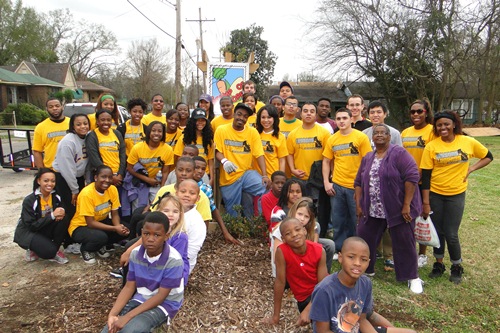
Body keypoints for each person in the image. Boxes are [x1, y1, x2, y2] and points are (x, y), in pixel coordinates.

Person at [420, 110, 493, 284]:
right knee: (438, 232)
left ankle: (456, 266)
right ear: (436, 128)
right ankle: (438, 264)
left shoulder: (467, 142)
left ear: (454, 124)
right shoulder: (432, 146)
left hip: (456, 194)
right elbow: (426, 177)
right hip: (436, 194)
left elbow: (488, 156)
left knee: (451, 233)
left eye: (446, 124)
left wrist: (471, 169)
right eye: (439, 125)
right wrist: (426, 202)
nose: (443, 127)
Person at [354, 124, 423, 294]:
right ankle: (366, 270)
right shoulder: (368, 157)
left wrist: (406, 205)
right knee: (365, 238)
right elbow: (357, 182)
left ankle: (411, 276)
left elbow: (412, 176)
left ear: (389, 136)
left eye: (382, 133)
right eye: (375, 133)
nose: (379, 135)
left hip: (397, 208)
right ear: (372, 138)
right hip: (373, 209)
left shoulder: (399, 153)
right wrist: (359, 204)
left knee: (404, 241)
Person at [310, 236, 417, 333]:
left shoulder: (365, 283)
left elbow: (362, 320)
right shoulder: (324, 290)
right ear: (340, 258)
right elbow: (322, 331)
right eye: (351, 257)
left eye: (363, 259)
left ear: (368, 262)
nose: (357, 263)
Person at [101, 211, 183, 333]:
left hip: (165, 304)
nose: (150, 239)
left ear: (166, 236)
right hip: (141, 298)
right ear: (141, 234)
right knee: (110, 329)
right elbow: (129, 287)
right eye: (146, 234)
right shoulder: (135, 254)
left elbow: (161, 296)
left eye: (157, 235)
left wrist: (127, 317)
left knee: (130, 330)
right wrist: (113, 314)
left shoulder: (174, 260)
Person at [322, 108, 372, 253]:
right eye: (338, 119)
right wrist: (327, 182)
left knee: (356, 220)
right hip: (337, 185)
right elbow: (326, 161)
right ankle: (339, 249)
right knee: (338, 220)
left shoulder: (360, 137)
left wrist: (363, 185)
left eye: (344, 118)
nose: (342, 121)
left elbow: (367, 161)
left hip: (356, 187)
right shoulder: (332, 139)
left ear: (351, 119)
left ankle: (356, 249)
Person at [263, 217, 328, 327]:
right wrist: (276, 316)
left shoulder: (319, 250)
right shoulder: (282, 252)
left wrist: (308, 310)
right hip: (305, 299)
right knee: (326, 323)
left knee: (357, 312)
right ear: (283, 239)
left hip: (324, 293)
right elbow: (280, 282)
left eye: (297, 230)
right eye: (288, 233)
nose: (294, 234)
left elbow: (323, 286)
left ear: (304, 231)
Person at [214, 103, 270, 217]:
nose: (241, 118)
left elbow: (259, 154)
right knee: (233, 214)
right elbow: (216, 151)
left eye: (245, 116)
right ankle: (235, 232)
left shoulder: (252, 132)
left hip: (246, 174)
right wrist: (225, 161)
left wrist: (264, 175)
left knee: (266, 189)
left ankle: (259, 222)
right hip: (229, 178)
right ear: (234, 114)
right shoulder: (221, 130)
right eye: (239, 114)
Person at [69, 165, 130, 264]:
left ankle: (99, 245)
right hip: (80, 226)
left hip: (100, 221)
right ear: (96, 177)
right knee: (101, 237)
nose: (107, 180)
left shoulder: (113, 189)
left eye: (110, 177)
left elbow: (114, 214)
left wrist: (118, 226)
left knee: (126, 228)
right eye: (103, 177)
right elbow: (90, 223)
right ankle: (86, 249)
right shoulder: (87, 194)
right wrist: (115, 228)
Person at [401, 98, 435, 268]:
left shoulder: (432, 132)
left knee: (422, 215)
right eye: (412, 111)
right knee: (406, 217)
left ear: (426, 112)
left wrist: (417, 175)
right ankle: (407, 250)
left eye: (419, 111)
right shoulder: (405, 133)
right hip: (405, 181)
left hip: (423, 181)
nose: (415, 114)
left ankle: (422, 254)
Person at [52, 113, 90, 255]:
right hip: (64, 178)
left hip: (77, 178)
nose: (82, 126)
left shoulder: (88, 138)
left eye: (85, 123)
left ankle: (74, 238)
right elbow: (67, 168)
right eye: (78, 124)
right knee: (69, 209)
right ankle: (67, 242)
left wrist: (85, 182)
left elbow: (86, 163)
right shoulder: (68, 142)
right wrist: (74, 190)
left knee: (78, 209)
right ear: (72, 127)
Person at [14, 168, 69, 264]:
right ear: (39, 181)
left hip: (44, 226)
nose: (50, 184)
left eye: (53, 181)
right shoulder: (30, 200)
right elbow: (31, 225)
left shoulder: (55, 195)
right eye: (46, 181)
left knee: (64, 219)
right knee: (48, 252)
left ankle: (54, 250)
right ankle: (33, 248)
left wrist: (62, 211)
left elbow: (62, 206)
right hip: (30, 231)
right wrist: (52, 215)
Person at [272, 197, 335, 275]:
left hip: (305, 262)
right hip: (287, 267)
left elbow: (315, 250)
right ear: (294, 211)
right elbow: (276, 259)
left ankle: (323, 274)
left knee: (329, 244)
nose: (302, 219)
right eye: (299, 214)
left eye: (306, 217)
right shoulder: (282, 228)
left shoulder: (313, 226)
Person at [122, 121, 174, 216]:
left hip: (156, 184)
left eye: (159, 131)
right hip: (139, 184)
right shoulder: (137, 148)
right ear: (148, 132)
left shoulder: (168, 149)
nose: (156, 133)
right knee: (139, 212)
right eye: (153, 130)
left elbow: (165, 172)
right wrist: (147, 179)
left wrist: (162, 190)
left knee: (157, 210)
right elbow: (129, 168)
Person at [192, 156, 241, 245]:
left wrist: (225, 232)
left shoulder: (205, 188)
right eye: (197, 167)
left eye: (203, 169)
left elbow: (213, 208)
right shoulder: (180, 185)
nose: (200, 171)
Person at [287, 102, 330, 181]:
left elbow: (328, 157)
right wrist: (293, 170)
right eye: (305, 111)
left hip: (318, 178)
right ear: (301, 114)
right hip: (298, 177)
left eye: (312, 111)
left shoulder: (325, 133)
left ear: (316, 115)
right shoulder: (292, 134)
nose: (309, 114)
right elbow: (290, 154)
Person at [174, 108, 215, 187]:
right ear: (192, 121)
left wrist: (212, 178)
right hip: (187, 175)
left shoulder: (208, 140)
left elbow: (210, 161)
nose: (200, 123)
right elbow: (179, 158)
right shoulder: (184, 138)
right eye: (197, 120)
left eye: (203, 120)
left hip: (203, 175)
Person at [86, 109, 127, 187]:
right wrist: (109, 177)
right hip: (102, 177)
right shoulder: (92, 136)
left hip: (118, 177)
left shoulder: (117, 133)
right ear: (97, 121)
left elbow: (122, 154)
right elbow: (94, 159)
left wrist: (120, 174)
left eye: (109, 120)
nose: (106, 122)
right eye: (102, 120)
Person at [157, 194, 189, 285]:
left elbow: (174, 261)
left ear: (180, 214)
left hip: (174, 273)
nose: (170, 215)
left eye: (175, 211)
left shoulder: (180, 237)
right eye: (166, 211)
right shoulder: (156, 232)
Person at [33, 97, 70, 169]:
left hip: (72, 168)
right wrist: (42, 171)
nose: (54, 108)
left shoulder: (72, 123)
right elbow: (37, 151)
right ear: (46, 109)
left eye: (57, 106)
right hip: (51, 169)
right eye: (51, 107)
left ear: (62, 107)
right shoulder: (41, 127)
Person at [255, 104, 288, 178]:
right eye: (263, 117)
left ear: (274, 119)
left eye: (269, 117)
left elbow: (282, 160)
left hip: (272, 177)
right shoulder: (254, 134)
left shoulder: (280, 137)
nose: (266, 120)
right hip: (255, 177)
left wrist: (280, 178)